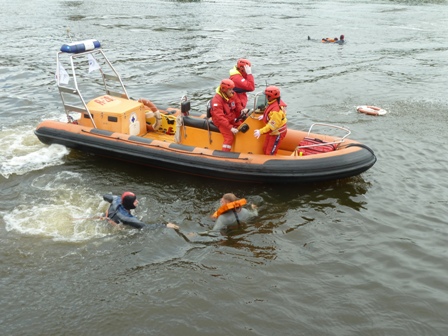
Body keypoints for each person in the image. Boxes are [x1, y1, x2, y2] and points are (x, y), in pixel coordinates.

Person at [103, 192, 179, 230]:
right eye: (134, 201)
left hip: (106, 216)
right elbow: (145, 227)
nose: (137, 201)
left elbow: (105, 196)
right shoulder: (127, 217)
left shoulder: (116, 200)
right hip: (108, 225)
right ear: (129, 204)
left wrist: (108, 210)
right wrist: (165, 225)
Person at [210, 79, 244, 152]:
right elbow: (220, 117)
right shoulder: (216, 101)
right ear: (224, 90)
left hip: (231, 118)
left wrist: (242, 110)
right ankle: (224, 153)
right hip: (221, 122)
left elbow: (237, 103)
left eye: (232, 89)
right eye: (230, 89)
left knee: (242, 126)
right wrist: (230, 128)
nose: (232, 91)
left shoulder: (232, 94)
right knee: (229, 138)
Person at [253, 86, 288, 155]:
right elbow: (271, 114)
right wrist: (265, 116)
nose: (265, 97)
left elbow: (272, 126)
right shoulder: (274, 102)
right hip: (273, 132)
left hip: (277, 132)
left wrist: (260, 131)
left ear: (270, 96)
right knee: (265, 148)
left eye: (266, 95)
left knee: (270, 152)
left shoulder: (276, 111)